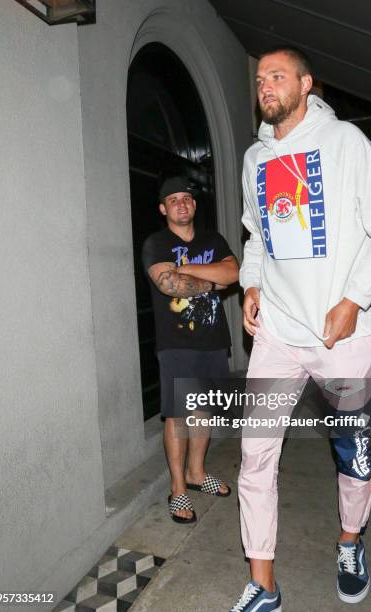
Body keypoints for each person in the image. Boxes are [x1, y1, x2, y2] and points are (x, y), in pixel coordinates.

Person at [230, 46, 371, 611]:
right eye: (261, 78)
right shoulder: (254, 160)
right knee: (255, 453)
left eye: (277, 76)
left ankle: (350, 542)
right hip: (278, 335)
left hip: (341, 339)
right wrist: (252, 285)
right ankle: (263, 585)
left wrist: (355, 299)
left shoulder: (347, 145)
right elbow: (256, 237)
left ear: (306, 84)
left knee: (352, 453)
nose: (266, 85)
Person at [142, 175, 239, 524]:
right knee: (179, 415)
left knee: (205, 411)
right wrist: (213, 278)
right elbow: (170, 285)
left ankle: (198, 473)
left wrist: (191, 272)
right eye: (173, 199)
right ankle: (179, 488)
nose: (181, 203)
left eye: (187, 197)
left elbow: (233, 273)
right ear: (163, 208)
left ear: (194, 205)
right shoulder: (156, 242)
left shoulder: (213, 238)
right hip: (176, 344)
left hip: (213, 340)